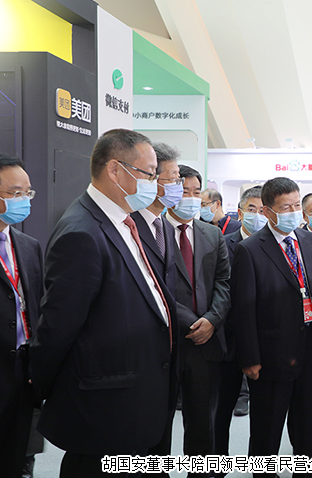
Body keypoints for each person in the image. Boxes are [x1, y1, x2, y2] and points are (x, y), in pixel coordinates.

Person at [31, 129, 174, 477]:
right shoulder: (83, 231)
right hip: (105, 404)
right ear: (115, 170)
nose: (154, 184)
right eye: (148, 173)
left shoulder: (122, 221)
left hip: (134, 395)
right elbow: (58, 326)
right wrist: (44, 388)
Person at [230, 177, 312, 477]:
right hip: (271, 353)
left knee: (308, 425)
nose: (293, 212)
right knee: (267, 428)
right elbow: (243, 309)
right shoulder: (250, 249)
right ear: (267, 211)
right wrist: (249, 358)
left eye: (296, 205)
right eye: (285, 207)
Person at [166, 165, 231, 467]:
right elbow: (152, 285)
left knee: (203, 423)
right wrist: (191, 322)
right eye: (184, 191)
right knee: (159, 421)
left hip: (207, 343)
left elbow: (224, 282)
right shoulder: (152, 231)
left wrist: (213, 319)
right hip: (166, 340)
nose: (190, 198)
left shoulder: (212, 234)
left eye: (196, 192)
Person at [0, 153, 42, 478]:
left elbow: (37, 307)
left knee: (13, 458)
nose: (23, 200)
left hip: (23, 375)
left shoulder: (29, 246)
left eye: (27, 193)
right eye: (14, 193)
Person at [130, 142, 184, 467]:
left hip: (167, 351)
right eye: (173, 178)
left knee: (160, 439)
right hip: (139, 353)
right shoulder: (129, 226)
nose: (178, 186)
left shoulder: (163, 223)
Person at [214, 185, 265, 461]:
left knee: (265, 415)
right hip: (229, 342)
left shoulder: (277, 246)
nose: (257, 215)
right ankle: (216, 464)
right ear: (240, 212)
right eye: (251, 209)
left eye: (262, 210)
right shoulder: (221, 243)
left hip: (265, 342)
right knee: (220, 411)